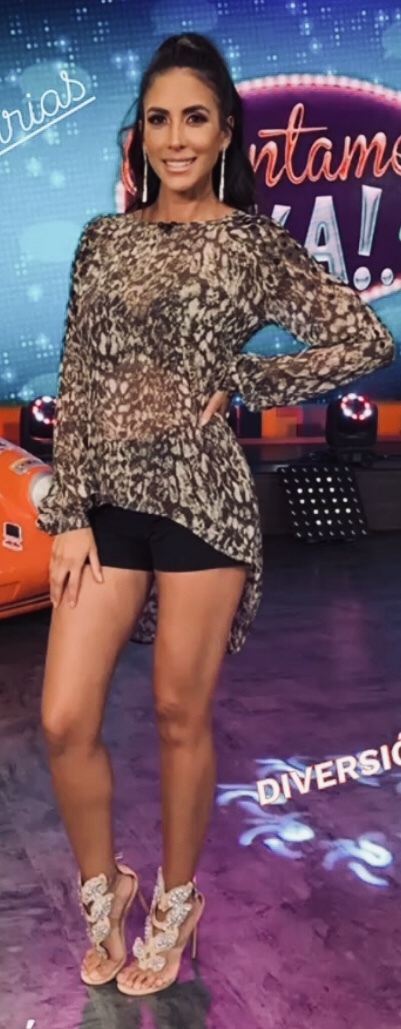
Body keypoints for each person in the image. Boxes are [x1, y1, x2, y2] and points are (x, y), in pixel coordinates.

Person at [36, 31, 396, 997]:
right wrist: (68, 512)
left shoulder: (248, 243)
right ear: (140, 135)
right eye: (158, 119)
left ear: (226, 130)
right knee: (64, 717)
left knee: (176, 711)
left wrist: (246, 376)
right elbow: (79, 375)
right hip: (106, 502)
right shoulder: (103, 240)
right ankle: (105, 886)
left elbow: (361, 336)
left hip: (203, 501)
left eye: (194, 118)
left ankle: (176, 901)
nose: (176, 138)